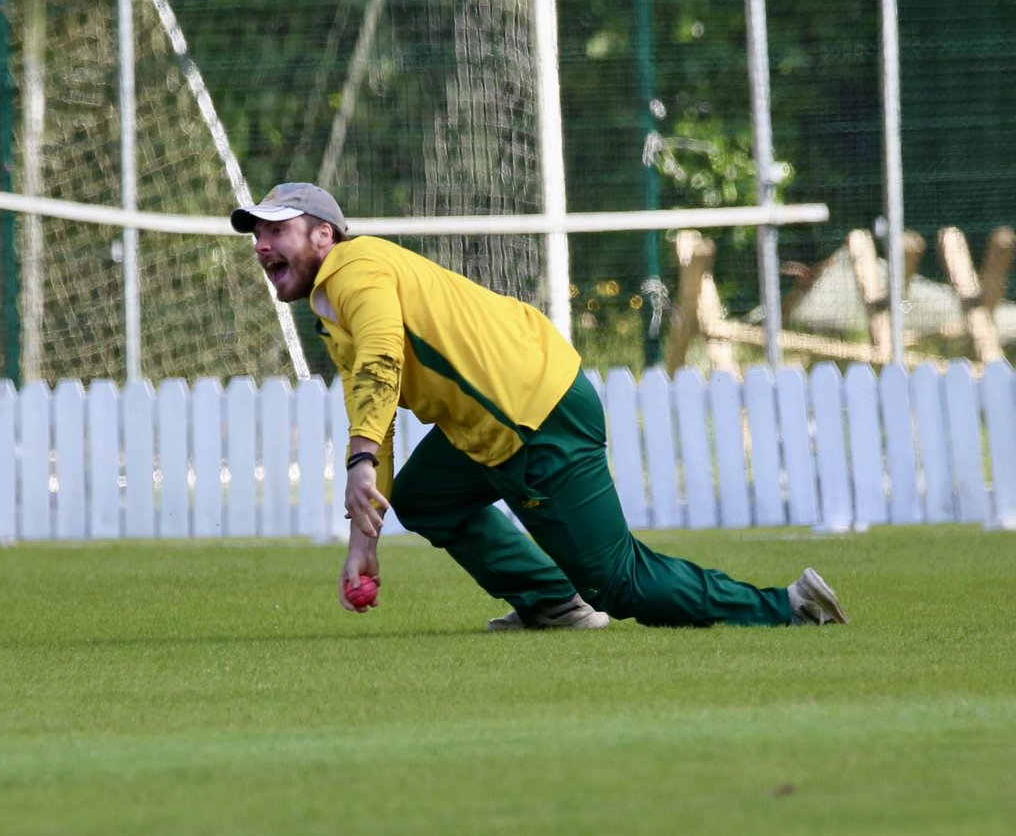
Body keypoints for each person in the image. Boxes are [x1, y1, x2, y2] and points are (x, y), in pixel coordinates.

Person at [231, 183, 849, 630]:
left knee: (620, 583)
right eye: (256, 233)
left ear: (323, 234)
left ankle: (788, 605)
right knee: (423, 498)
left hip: (536, 414)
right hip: (499, 419)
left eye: (275, 229)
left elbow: (382, 361)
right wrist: (362, 541)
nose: (261, 244)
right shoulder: (331, 309)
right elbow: (378, 407)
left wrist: (360, 460)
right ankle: (552, 603)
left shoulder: (354, 266)